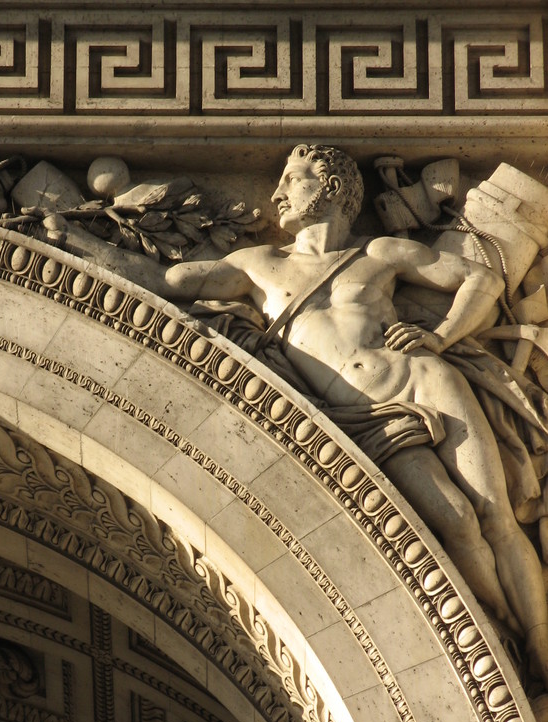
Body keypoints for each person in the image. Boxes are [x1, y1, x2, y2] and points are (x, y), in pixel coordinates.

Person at [156, 144, 548, 681]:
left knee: (496, 517)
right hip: (365, 422)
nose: (275, 194)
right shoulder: (258, 264)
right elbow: (171, 283)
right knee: (456, 523)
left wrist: (439, 337)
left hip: (428, 380)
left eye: (291, 181)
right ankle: (502, 635)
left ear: (331, 188)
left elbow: (484, 280)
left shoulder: (380, 252)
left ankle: (542, 650)